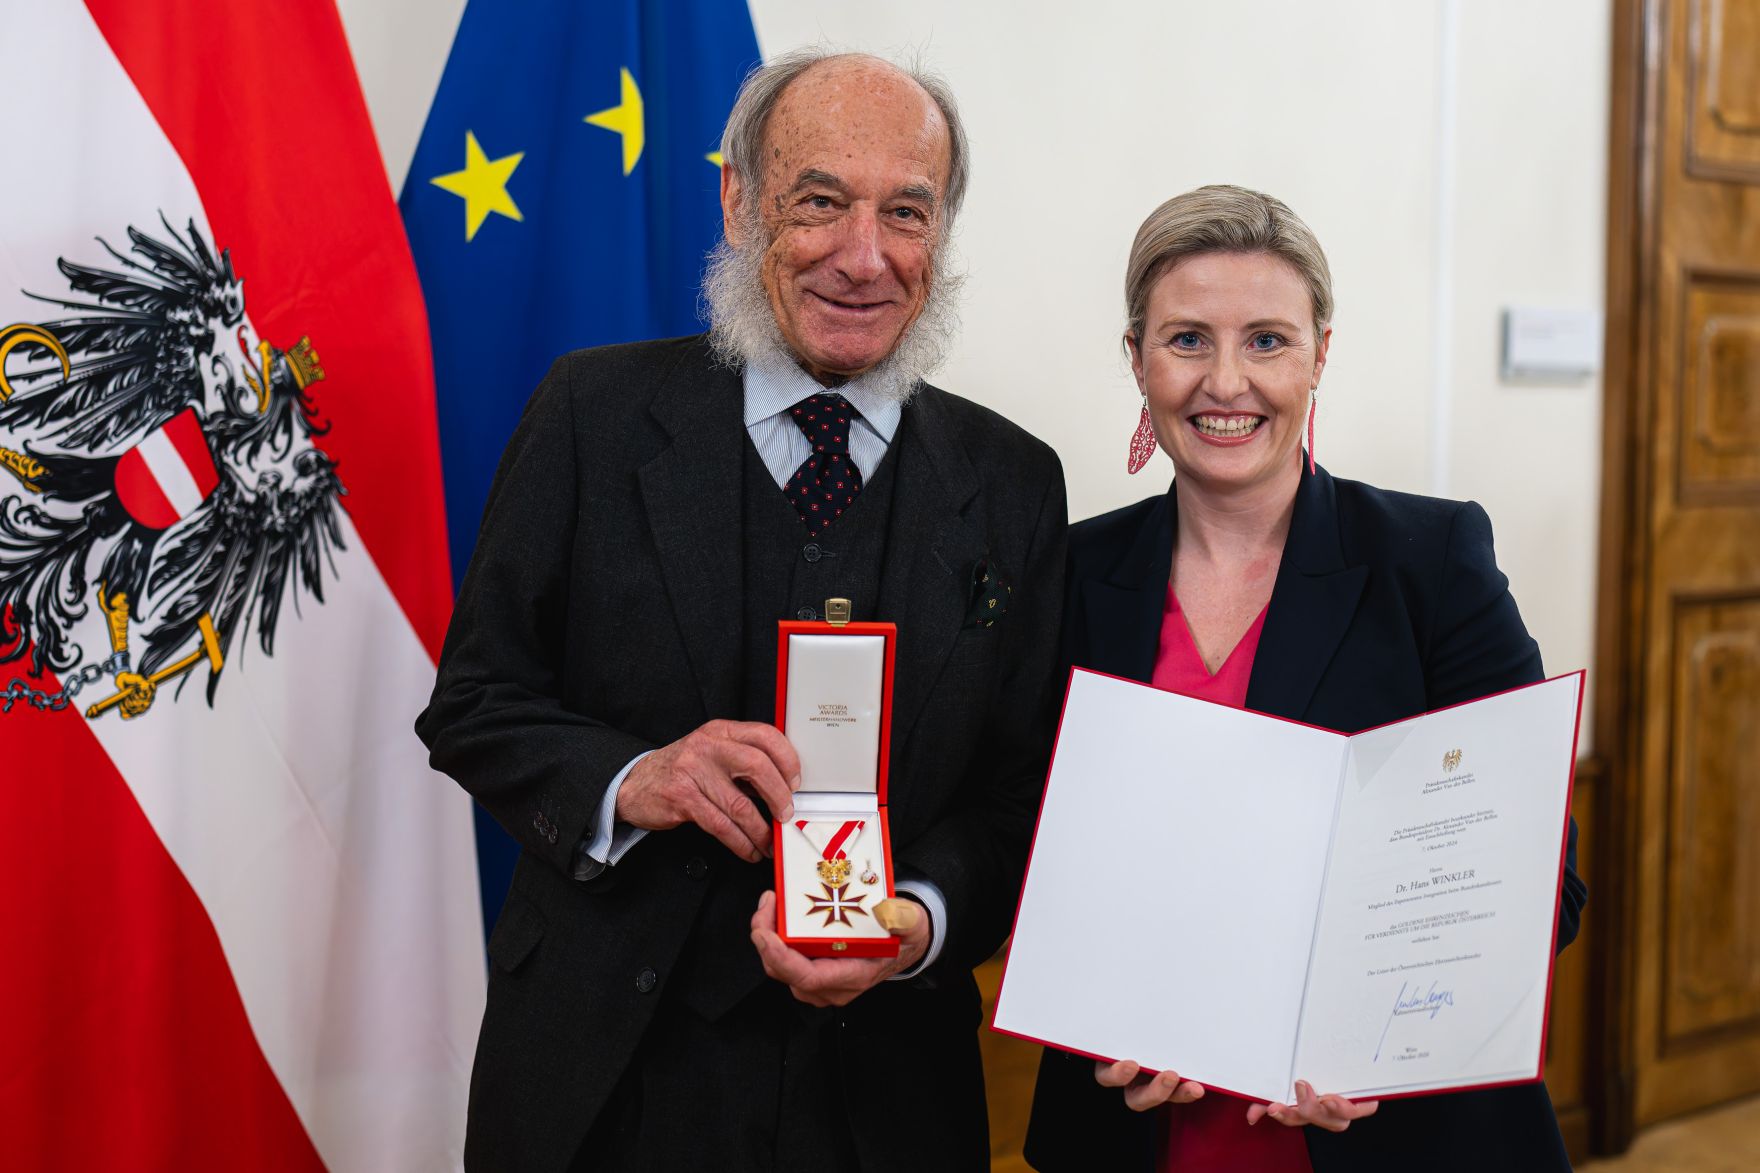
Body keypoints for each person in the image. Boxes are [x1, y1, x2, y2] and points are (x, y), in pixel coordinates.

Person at [416, 49, 1068, 1173]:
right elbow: (473, 705)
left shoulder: (1013, 480)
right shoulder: (590, 415)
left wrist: (912, 921)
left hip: (890, 1101)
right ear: (736, 199)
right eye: (818, 201)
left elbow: (1024, 795)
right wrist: (636, 779)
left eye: (903, 213)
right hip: (603, 1085)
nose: (862, 257)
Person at [1021, 185, 1586, 1173]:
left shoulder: (1431, 561)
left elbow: (1545, 889)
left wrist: (1384, 1036)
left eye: (1267, 341)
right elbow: (1023, 838)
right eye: (1187, 339)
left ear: (1320, 353)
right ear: (1135, 358)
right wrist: (1098, 1006)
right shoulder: (1068, 574)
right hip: (1140, 1128)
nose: (1225, 381)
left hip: (1389, 1136)